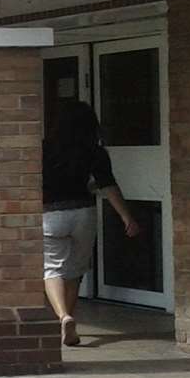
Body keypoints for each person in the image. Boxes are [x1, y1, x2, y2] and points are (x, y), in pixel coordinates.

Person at [42, 100, 140, 346]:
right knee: (75, 270)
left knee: (52, 268)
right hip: (83, 213)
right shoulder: (94, 151)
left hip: (50, 215)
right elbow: (108, 185)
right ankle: (69, 319)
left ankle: (63, 316)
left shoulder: (43, 148)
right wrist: (126, 216)